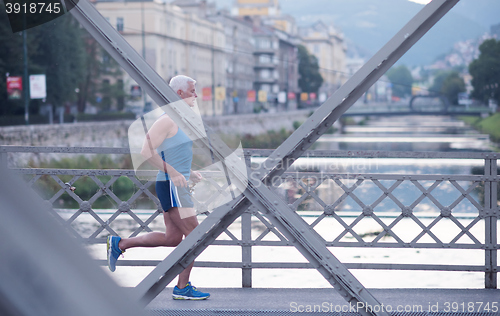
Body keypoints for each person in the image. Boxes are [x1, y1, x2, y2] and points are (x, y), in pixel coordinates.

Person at [107, 75, 210, 300]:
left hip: (173, 184)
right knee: (196, 235)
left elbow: (174, 153)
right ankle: (182, 288)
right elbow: (146, 151)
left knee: (173, 238)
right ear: (180, 93)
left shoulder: (181, 120)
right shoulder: (167, 120)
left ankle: (120, 243)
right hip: (171, 186)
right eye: (192, 91)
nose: (196, 95)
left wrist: (188, 172)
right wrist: (174, 173)